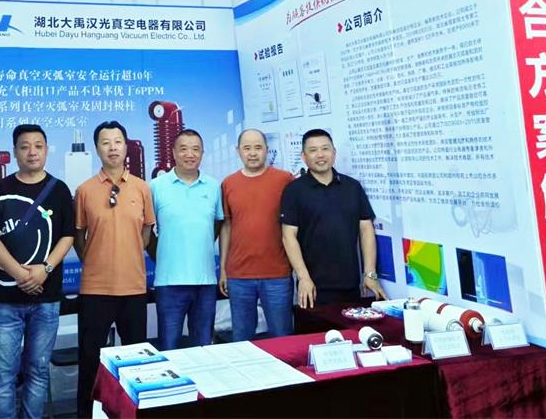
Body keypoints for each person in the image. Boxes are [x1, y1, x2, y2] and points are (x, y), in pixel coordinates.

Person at [0, 123, 74, 419]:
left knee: (38, 371)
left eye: (38, 146)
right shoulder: (0, 189)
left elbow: (67, 236)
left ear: (46, 150)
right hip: (4, 300)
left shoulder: (59, 190)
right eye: (25, 146)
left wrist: (45, 269)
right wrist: (21, 275)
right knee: (2, 377)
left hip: (46, 299)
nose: (32, 152)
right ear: (16, 152)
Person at [74, 120, 155, 418]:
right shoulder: (84, 191)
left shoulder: (142, 188)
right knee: (90, 361)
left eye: (118, 141)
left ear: (126, 146)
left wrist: (126, 255)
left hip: (133, 287)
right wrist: (97, 259)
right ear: (97, 149)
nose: (112, 148)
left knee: (136, 362)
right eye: (105, 142)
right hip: (95, 289)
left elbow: (146, 234)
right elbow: (79, 237)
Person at [281, 128, 387, 307]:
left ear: (334, 152)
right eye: (313, 150)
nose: (320, 155)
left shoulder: (352, 187)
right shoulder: (294, 191)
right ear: (304, 156)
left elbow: (366, 229)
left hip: (351, 284)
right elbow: (288, 236)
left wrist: (370, 274)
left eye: (325, 148)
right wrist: (303, 277)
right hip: (313, 288)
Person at [149, 129, 223, 350]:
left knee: (203, 348)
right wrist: (162, 254)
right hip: (169, 282)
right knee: (169, 347)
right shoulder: (156, 186)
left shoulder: (214, 187)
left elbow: (218, 224)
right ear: (173, 152)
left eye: (195, 149)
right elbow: (146, 230)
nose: (190, 154)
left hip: (205, 282)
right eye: (183, 149)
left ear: (202, 153)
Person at [219, 129, 294, 340]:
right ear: (238, 151)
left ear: (267, 150)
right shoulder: (228, 183)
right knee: (241, 339)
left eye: (258, 147)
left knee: (282, 337)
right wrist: (224, 269)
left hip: (277, 274)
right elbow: (227, 227)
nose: (252, 153)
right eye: (247, 148)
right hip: (239, 275)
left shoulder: (285, 180)